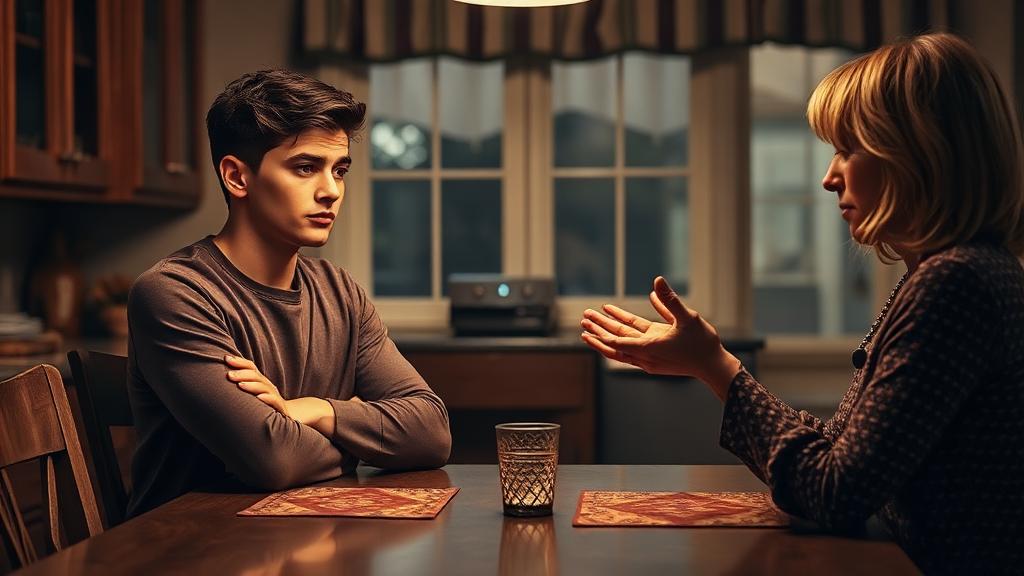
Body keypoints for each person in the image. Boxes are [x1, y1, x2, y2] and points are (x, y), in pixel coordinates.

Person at [581, 33, 1024, 573]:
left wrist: (716, 367)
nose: (828, 177)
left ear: (920, 154)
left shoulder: (954, 283)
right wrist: (712, 364)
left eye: (848, 149)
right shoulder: (960, 272)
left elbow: (833, 492)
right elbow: (839, 454)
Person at [126, 69, 451, 518]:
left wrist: (315, 411)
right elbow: (276, 460)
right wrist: (362, 439)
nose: (331, 191)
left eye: (339, 170)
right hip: (190, 551)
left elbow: (431, 433)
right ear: (237, 178)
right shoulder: (174, 293)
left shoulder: (340, 292)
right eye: (305, 168)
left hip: (309, 541)